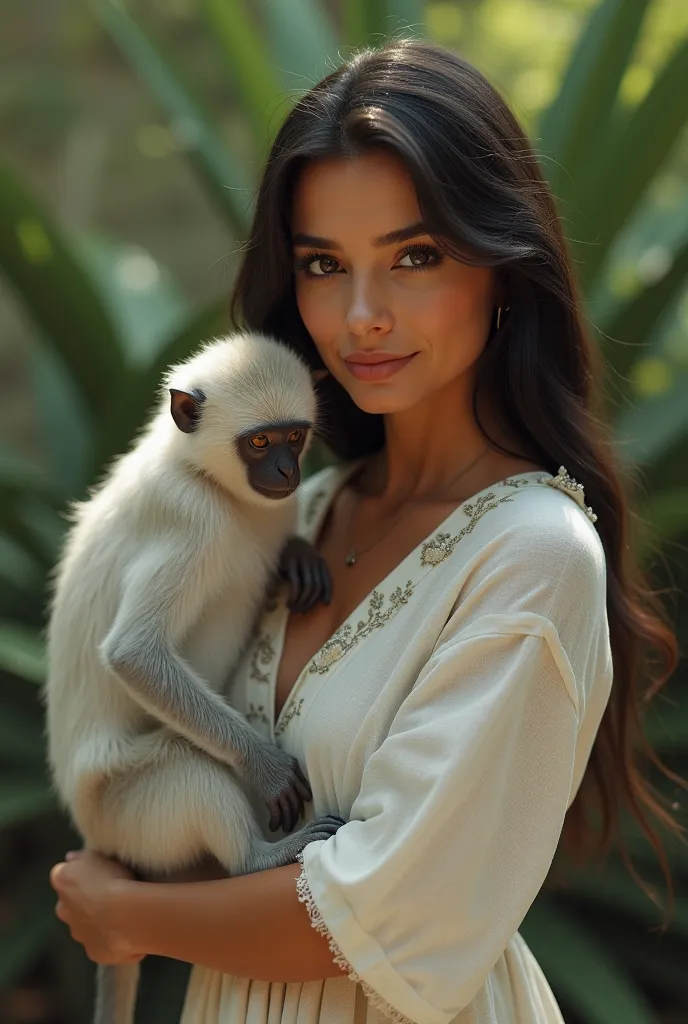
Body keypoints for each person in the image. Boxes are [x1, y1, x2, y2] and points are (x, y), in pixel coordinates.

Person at [50, 37, 684, 1024]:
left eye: (414, 258)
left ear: (501, 266)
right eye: (322, 265)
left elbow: (381, 916)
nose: (359, 316)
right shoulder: (293, 513)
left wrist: (129, 918)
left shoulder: (531, 557)